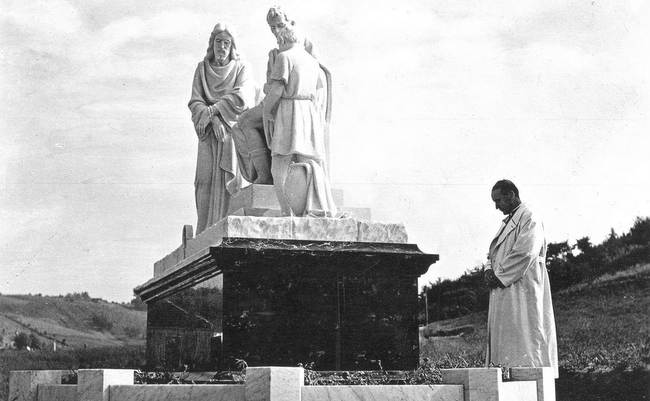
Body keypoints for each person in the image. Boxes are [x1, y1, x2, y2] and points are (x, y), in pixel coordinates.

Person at [231, 6, 328, 185]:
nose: (276, 31)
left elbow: (318, 83)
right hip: (278, 101)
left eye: (280, 25)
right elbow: (272, 86)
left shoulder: (304, 49)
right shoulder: (275, 53)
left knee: (246, 122)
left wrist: (270, 99)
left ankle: (265, 176)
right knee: (242, 123)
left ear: (291, 23)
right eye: (272, 28)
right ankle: (263, 175)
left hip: (291, 106)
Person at [484, 179, 558, 377]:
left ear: (511, 195)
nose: (496, 206)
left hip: (523, 284)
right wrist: (488, 270)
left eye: (498, 201)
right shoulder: (508, 222)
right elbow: (492, 253)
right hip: (505, 285)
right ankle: (506, 374)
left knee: (526, 332)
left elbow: (526, 252)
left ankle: (526, 375)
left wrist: (499, 275)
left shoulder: (530, 217)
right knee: (507, 334)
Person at [263, 26, 337, 217]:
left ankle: (286, 211)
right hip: (309, 114)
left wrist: (267, 110)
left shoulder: (284, 57)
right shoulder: (312, 61)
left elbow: (277, 90)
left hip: (289, 112)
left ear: (283, 40)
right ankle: (319, 206)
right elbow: (319, 90)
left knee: (278, 166)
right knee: (310, 164)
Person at [188, 23, 254, 234]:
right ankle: (204, 231)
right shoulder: (202, 69)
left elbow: (242, 98)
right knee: (204, 181)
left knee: (229, 182)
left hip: (231, 132)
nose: (222, 47)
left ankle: (226, 228)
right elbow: (195, 101)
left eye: (226, 42)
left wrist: (214, 111)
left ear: (232, 46)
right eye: (218, 41)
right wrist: (212, 119)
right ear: (212, 43)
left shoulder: (241, 68)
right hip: (209, 132)